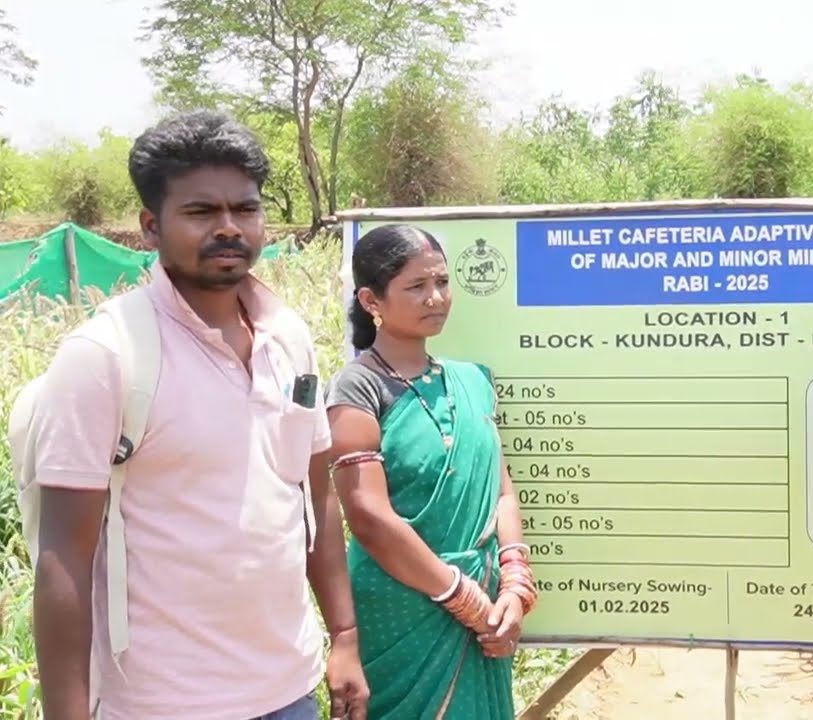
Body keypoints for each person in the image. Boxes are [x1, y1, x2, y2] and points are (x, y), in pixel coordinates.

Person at [29, 110, 369, 720]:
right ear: (151, 226)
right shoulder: (107, 356)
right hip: (163, 703)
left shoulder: (287, 336)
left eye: (245, 209)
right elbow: (64, 558)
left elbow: (315, 497)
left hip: (289, 689)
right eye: (201, 212)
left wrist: (342, 637)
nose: (229, 228)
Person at [324, 223, 537, 719]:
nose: (436, 297)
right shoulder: (358, 389)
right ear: (372, 300)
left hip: (485, 606)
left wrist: (514, 582)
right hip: (403, 606)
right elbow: (369, 517)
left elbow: (501, 491)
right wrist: (461, 597)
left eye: (442, 282)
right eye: (416, 287)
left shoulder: (472, 381)